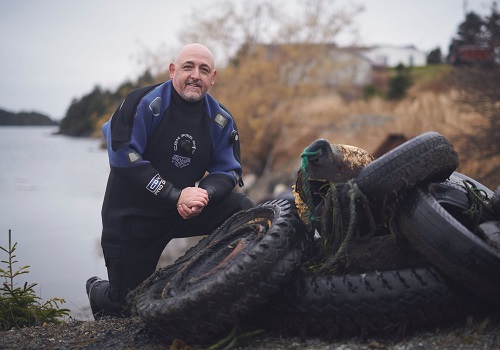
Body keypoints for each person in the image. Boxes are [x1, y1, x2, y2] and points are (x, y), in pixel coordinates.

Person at [86, 43, 254, 318]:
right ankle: (96, 289)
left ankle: (229, 283)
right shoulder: (142, 102)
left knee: (243, 210)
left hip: (182, 212)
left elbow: (229, 171)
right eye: (188, 67)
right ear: (173, 70)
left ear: (213, 78)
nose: (195, 75)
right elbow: (122, 158)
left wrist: (204, 194)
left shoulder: (220, 119)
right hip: (132, 220)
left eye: (204, 70)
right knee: (125, 308)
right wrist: (175, 195)